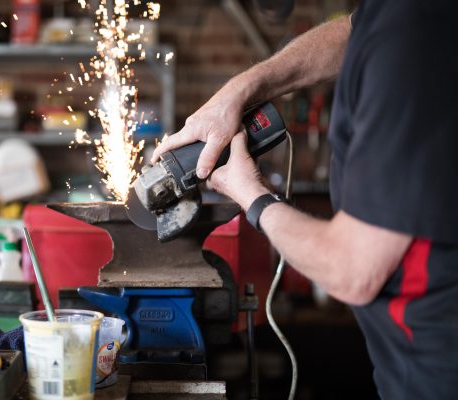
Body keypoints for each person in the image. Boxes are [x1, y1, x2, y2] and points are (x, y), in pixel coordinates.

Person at [152, 1, 458, 399]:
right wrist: (239, 91)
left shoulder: (414, 37)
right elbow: (352, 31)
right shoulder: (400, 15)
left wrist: (252, 195)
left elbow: (351, 271)